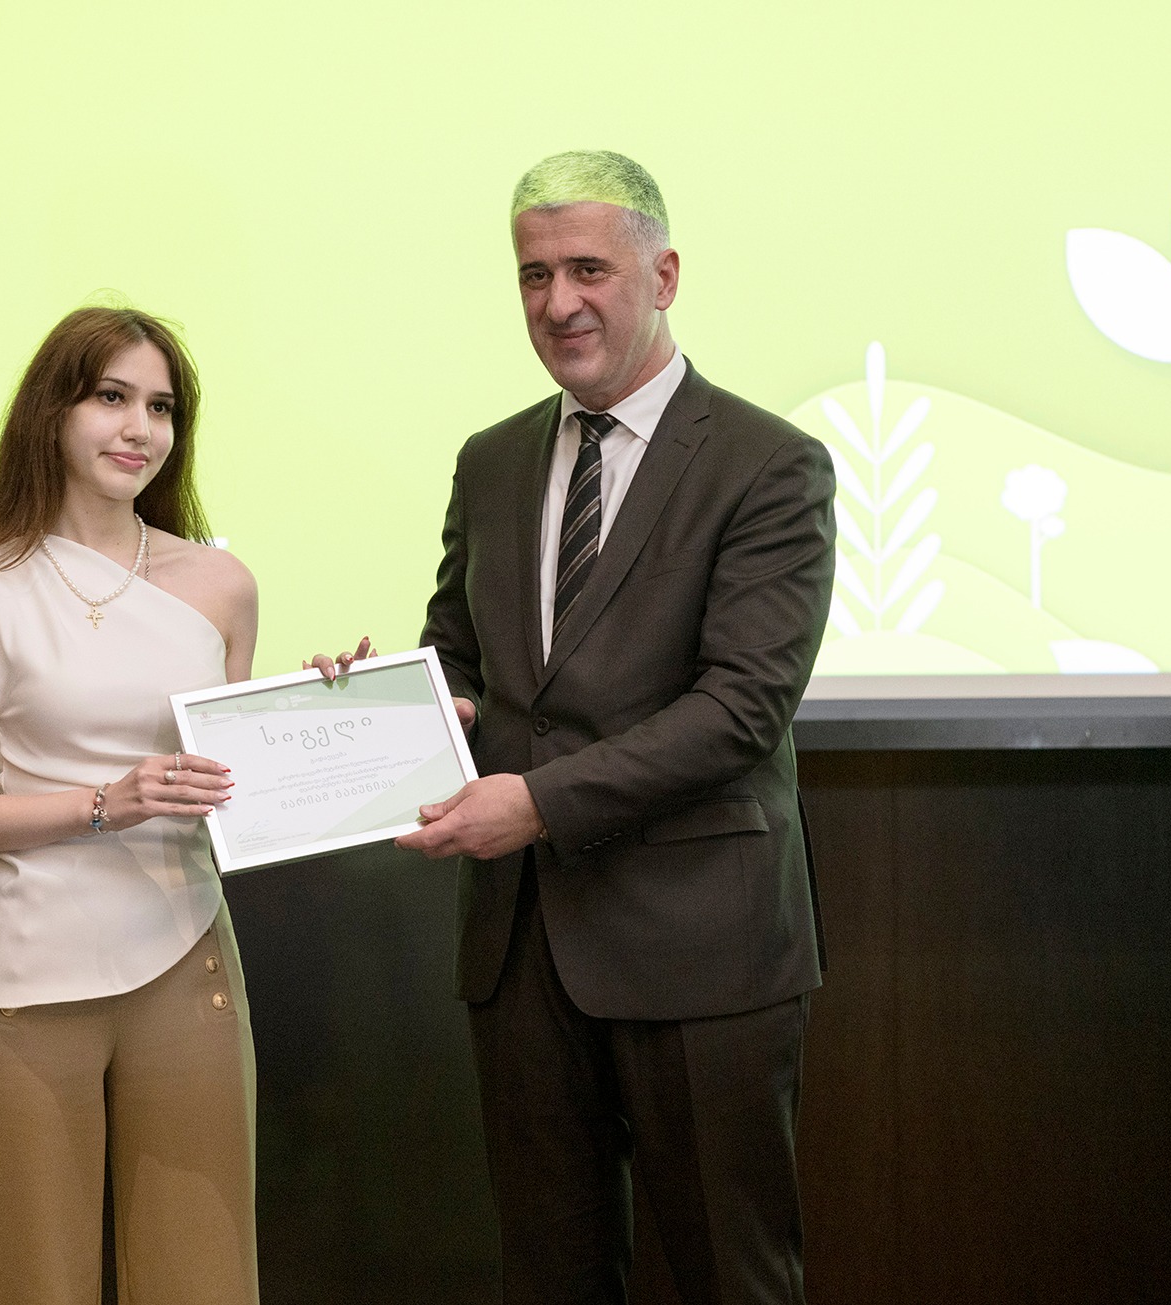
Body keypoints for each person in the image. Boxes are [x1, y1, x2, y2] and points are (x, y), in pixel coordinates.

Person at [397, 151, 837, 1304]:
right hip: (521, 954)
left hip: (702, 947)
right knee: (549, 1277)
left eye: (588, 269)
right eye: (534, 274)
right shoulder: (490, 461)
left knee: (730, 1277)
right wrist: (386, 707)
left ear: (665, 275)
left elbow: (741, 709)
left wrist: (537, 804)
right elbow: (461, 659)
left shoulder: (768, 465)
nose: (559, 303)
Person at [0, 305, 279, 1305]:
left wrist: (338, 707)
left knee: (204, 1277)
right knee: (23, 1280)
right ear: (53, 411)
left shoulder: (222, 584)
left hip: (187, 951)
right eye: (112, 397)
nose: (139, 428)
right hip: (25, 969)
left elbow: (240, 784)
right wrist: (105, 802)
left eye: (160, 407)